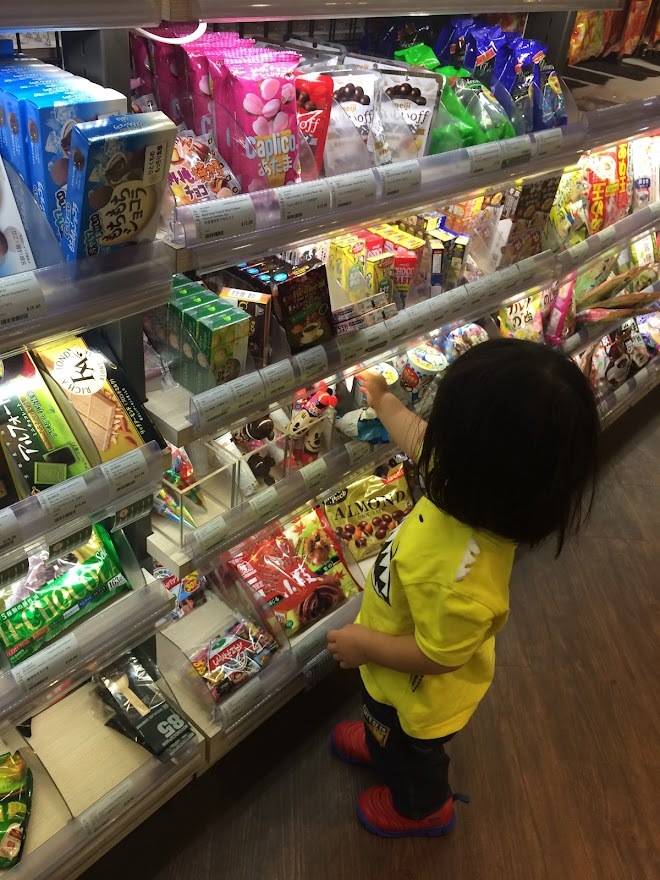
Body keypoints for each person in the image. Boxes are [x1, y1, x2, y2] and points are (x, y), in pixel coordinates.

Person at [327, 338, 600, 838]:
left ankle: (424, 808)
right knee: (381, 718)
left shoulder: (463, 579)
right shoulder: (478, 486)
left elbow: (438, 656)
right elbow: (420, 441)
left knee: (414, 753)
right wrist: (383, 399)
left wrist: (366, 645)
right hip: (392, 658)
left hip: (422, 695)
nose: (432, 439)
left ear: (472, 458)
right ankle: (378, 739)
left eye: (445, 430)